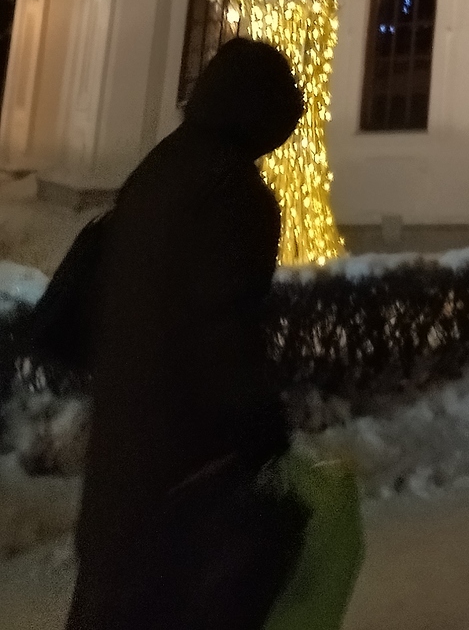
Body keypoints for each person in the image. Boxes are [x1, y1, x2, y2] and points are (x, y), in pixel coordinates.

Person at [68, 36, 307, 630]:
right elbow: (222, 328)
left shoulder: (160, 169)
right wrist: (262, 429)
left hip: (122, 453)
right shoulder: (235, 194)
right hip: (186, 470)